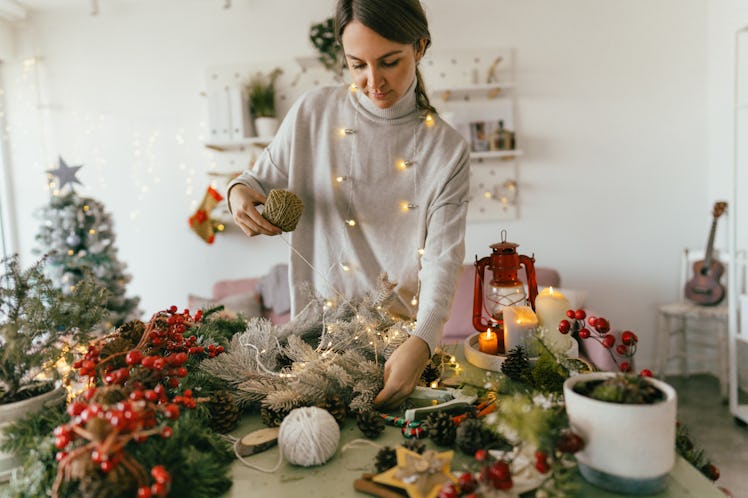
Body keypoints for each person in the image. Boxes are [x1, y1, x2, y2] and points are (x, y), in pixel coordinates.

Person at [227, 0, 469, 409]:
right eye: (358, 65)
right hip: (311, 346)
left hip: (395, 350)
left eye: (390, 61)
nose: (374, 81)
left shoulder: (446, 149)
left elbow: (443, 259)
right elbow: (253, 180)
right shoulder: (313, 112)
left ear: (421, 47)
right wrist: (238, 195)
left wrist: (424, 340)